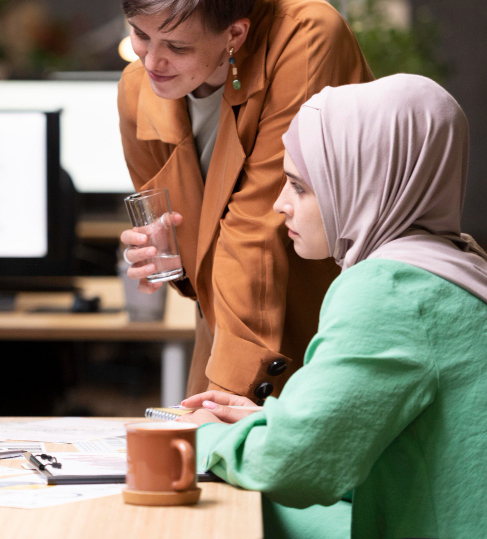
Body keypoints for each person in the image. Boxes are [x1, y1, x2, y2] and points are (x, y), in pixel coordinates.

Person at [180, 75, 487, 538]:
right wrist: (272, 421)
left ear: (367, 183)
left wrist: (200, 436)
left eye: (300, 186)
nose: (280, 205)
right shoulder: (461, 266)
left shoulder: (390, 289)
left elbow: (292, 466)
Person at [118, 0, 373, 400]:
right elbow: (191, 255)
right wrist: (166, 252)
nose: (152, 61)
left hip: (334, 315)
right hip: (229, 324)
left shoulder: (304, 33)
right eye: (140, 35)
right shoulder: (136, 91)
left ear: (235, 35)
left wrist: (228, 397)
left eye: (176, 45)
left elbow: (259, 219)